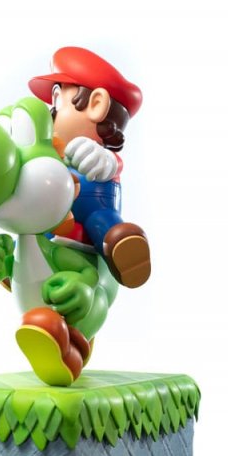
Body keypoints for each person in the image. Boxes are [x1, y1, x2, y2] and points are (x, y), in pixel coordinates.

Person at [29, 46, 151, 288]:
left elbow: (112, 165)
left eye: (57, 100)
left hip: (95, 212)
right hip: (55, 220)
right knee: (34, 230)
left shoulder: (103, 157)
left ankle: (122, 249)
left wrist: (102, 159)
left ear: (96, 104)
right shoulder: (51, 154)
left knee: (103, 222)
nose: (50, 112)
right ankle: (18, 263)